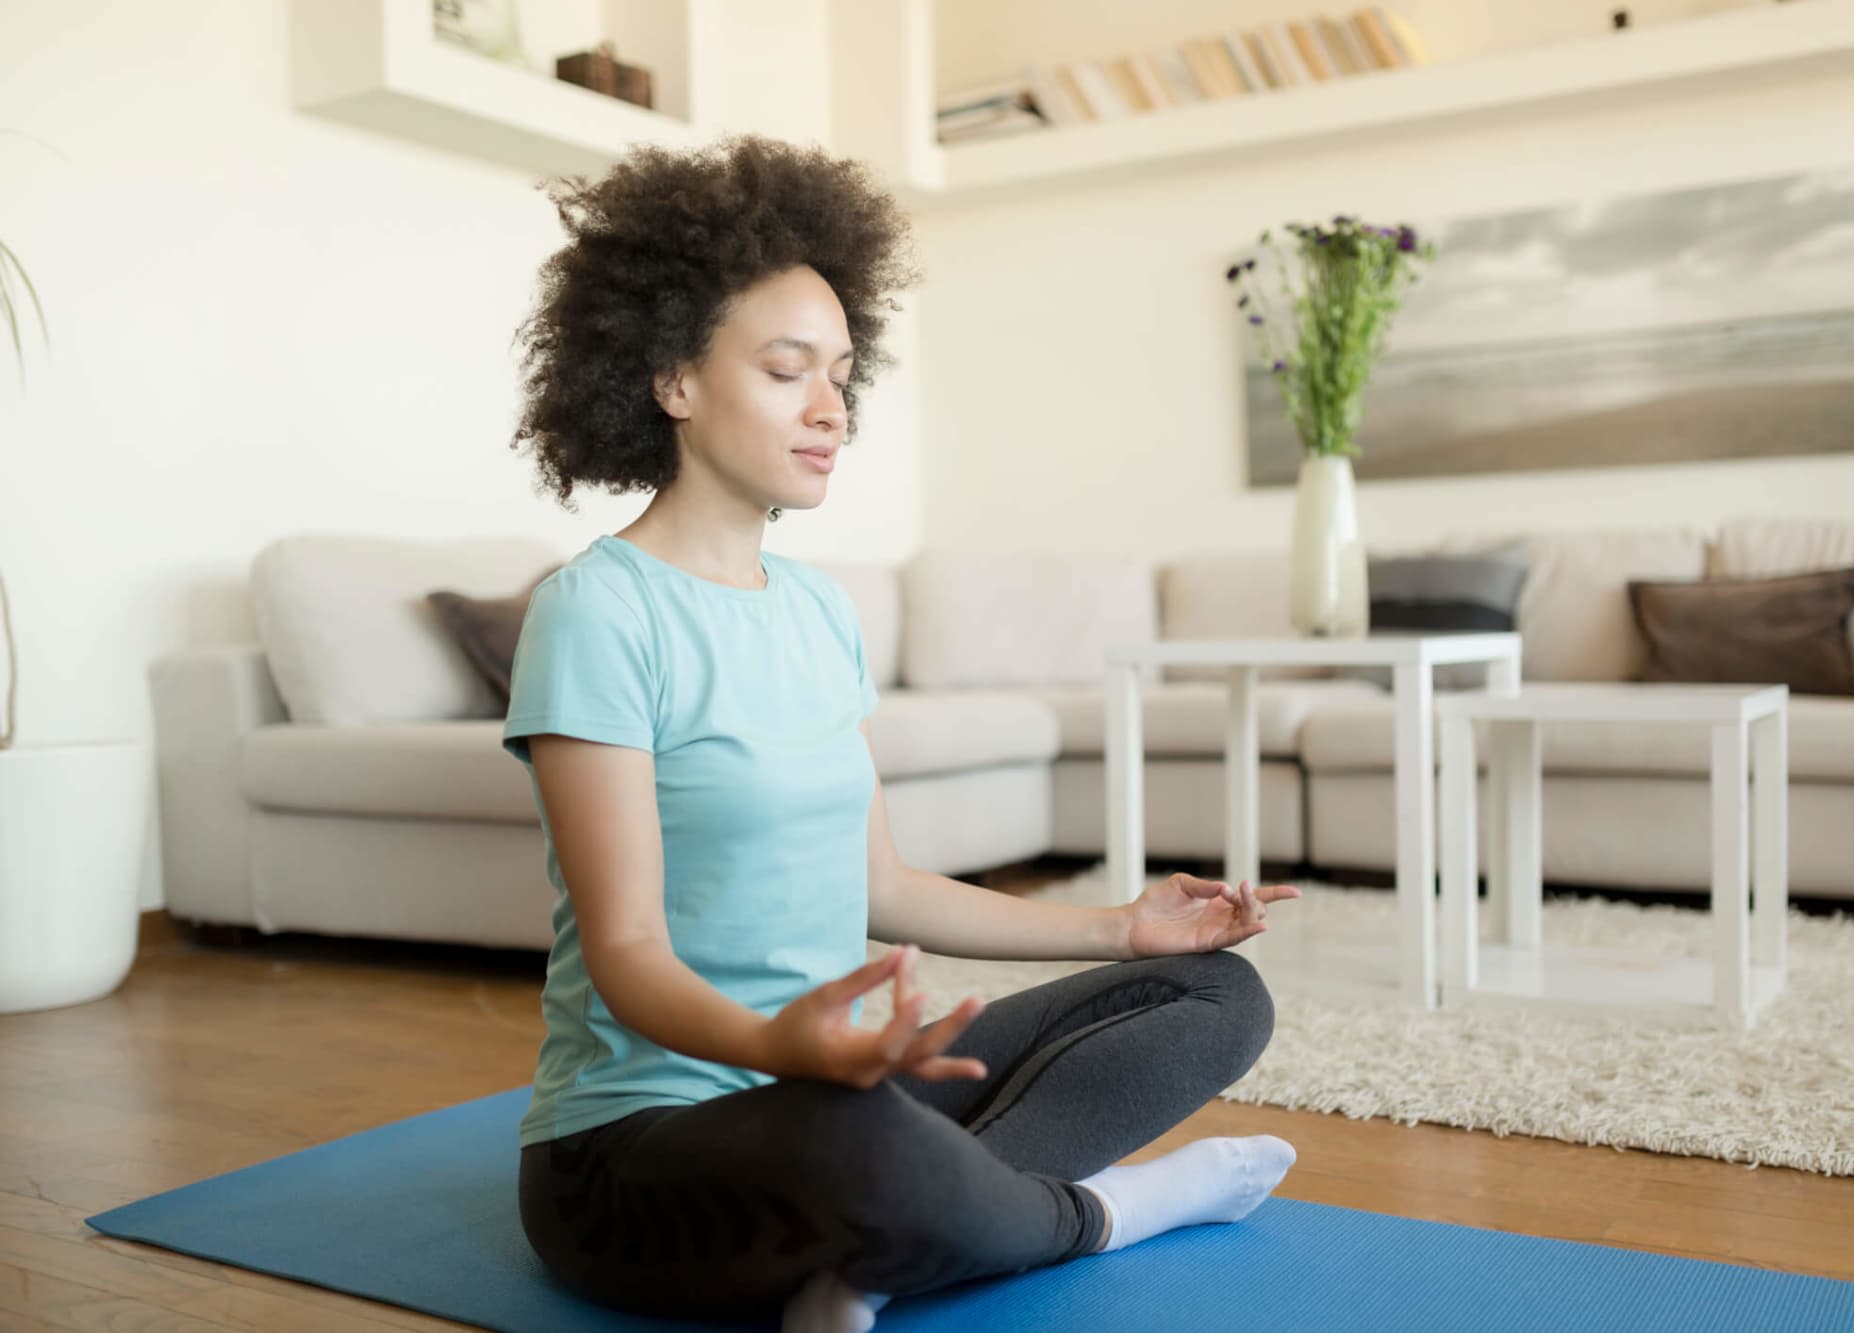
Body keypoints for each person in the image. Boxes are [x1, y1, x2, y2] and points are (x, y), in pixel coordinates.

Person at [502, 132, 1303, 1332]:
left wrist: (1123, 924)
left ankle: (901, 1246)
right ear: (671, 377)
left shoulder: (819, 609)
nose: (831, 409)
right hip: (646, 1150)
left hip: (844, 1093)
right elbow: (627, 955)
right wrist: (785, 1046)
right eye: (787, 371)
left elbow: (879, 882)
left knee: (1214, 997)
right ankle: (1114, 1209)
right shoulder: (595, 612)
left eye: (840, 374)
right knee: (857, 1142)